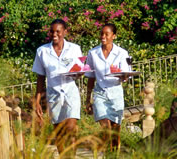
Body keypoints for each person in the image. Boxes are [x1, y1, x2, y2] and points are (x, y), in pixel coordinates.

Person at [32, 19, 83, 158]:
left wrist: (80, 73)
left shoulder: (74, 49)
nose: (54, 34)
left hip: (70, 92)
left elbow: (79, 70)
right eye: (52, 31)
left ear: (65, 32)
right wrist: (37, 101)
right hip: (53, 94)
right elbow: (40, 78)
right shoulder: (42, 51)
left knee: (71, 128)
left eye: (58, 31)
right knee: (59, 132)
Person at [85, 23, 131, 151]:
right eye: (102, 33)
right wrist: (88, 99)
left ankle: (114, 153)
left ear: (114, 36)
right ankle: (107, 153)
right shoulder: (93, 53)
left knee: (115, 129)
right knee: (105, 127)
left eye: (107, 34)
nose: (103, 36)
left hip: (115, 92)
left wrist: (124, 76)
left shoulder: (121, 53)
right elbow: (90, 76)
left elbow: (126, 74)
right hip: (100, 92)